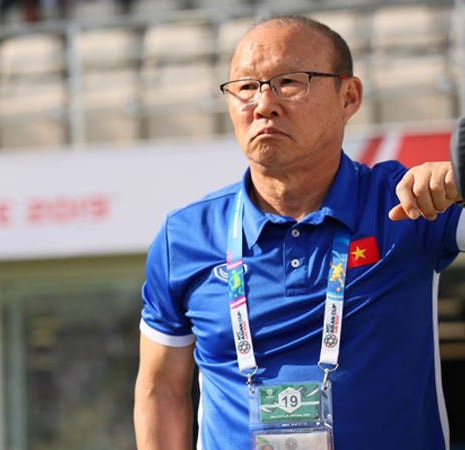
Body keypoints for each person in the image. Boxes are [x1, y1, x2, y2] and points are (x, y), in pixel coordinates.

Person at [134, 14, 464, 450]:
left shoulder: (408, 203)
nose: (263, 104)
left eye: (289, 82)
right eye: (245, 87)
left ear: (349, 96)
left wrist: (459, 184)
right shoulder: (185, 236)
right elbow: (161, 388)